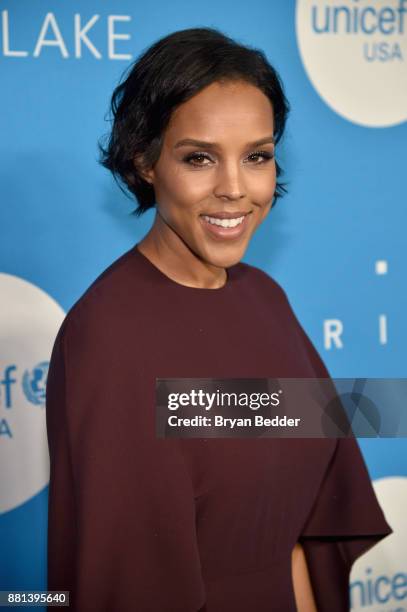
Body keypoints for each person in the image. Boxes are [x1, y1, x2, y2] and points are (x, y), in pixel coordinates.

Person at [46, 27, 392, 612]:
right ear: (145, 161)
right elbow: (126, 583)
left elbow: (310, 521)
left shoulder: (266, 300)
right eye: (200, 158)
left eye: (257, 156)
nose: (235, 189)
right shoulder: (107, 339)